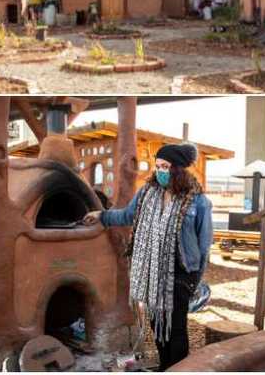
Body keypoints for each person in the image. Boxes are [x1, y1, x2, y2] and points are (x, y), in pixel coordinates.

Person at [83, 143, 213, 371]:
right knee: (157, 324)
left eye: (165, 167)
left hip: (182, 273)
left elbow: (204, 244)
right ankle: (165, 367)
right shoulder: (147, 194)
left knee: (176, 326)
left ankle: (178, 369)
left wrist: (197, 278)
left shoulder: (198, 201)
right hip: (152, 272)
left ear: (178, 169)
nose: (160, 171)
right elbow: (127, 215)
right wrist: (102, 216)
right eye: (158, 166)